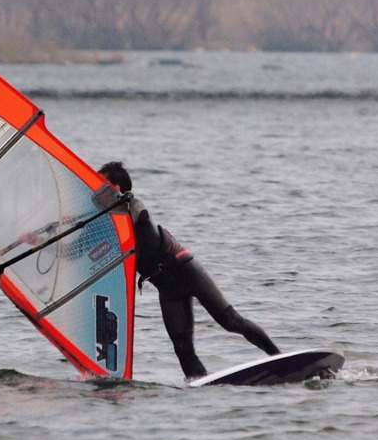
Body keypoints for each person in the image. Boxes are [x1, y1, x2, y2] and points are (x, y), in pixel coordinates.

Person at [97, 160, 280, 380]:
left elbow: (137, 215)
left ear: (117, 187)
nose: (98, 189)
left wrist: (119, 204)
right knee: (182, 346)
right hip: (166, 287)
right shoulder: (105, 221)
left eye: (103, 183)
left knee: (231, 322)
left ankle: (279, 358)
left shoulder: (133, 204)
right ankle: (200, 382)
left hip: (186, 270)